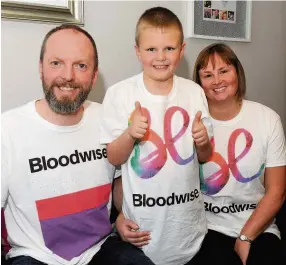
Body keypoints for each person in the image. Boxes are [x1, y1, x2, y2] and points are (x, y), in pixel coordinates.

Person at [1, 24, 155, 265]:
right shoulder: (7, 129)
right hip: (34, 256)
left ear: (94, 75)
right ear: (41, 68)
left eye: (81, 65)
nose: (68, 76)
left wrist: (124, 213)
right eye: (56, 63)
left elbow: (118, 178)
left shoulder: (108, 118)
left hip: (100, 248)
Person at [100, 6, 213, 265]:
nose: (160, 57)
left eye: (169, 49)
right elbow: (113, 158)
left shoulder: (194, 92)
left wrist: (203, 141)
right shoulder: (120, 94)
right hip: (142, 234)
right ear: (137, 51)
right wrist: (130, 134)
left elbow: (205, 157)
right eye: (151, 49)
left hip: (189, 231)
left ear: (182, 50)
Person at [192, 43, 286, 265]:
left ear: (237, 71)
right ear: (199, 84)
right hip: (207, 229)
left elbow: (277, 192)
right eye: (208, 75)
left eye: (223, 71)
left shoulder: (267, 119)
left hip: (259, 227)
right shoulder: (192, 122)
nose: (217, 81)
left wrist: (246, 237)